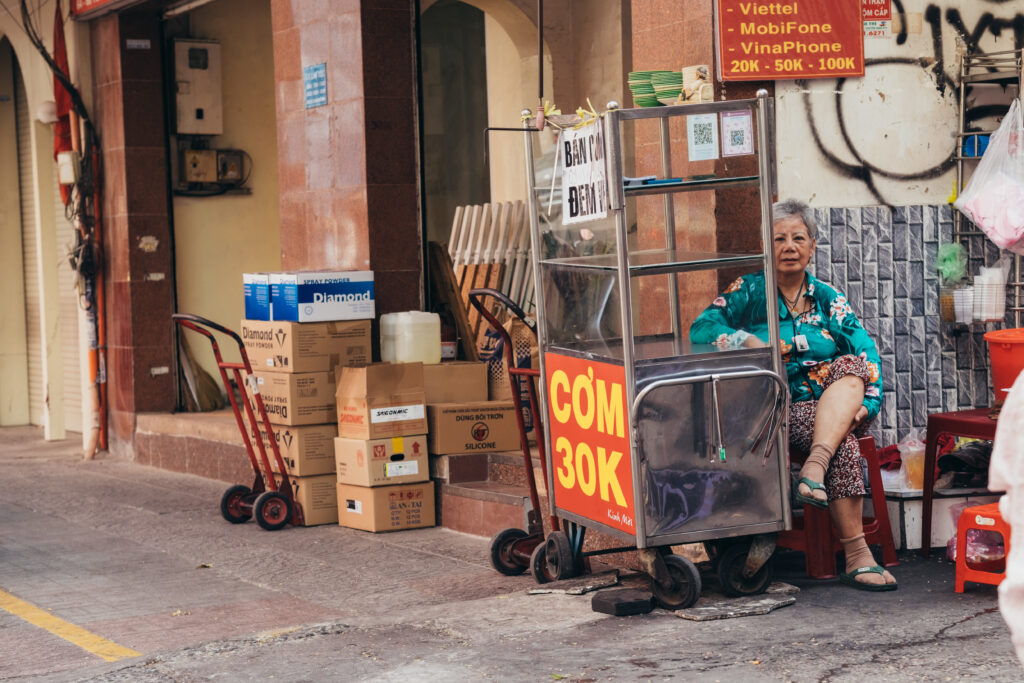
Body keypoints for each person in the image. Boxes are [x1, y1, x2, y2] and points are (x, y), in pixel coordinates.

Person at [690, 198, 896, 591]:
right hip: (773, 410)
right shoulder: (748, 292)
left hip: (833, 408)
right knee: (844, 445)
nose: (789, 247)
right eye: (779, 238)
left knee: (851, 364)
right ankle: (857, 554)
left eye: (798, 238)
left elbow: (865, 351)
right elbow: (700, 329)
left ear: (812, 246)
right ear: (766, 247)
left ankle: (815, 468)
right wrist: (743, 339)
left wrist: (867, 404)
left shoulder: (826, 297)